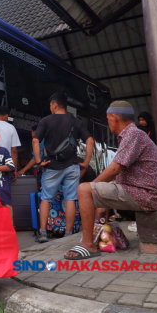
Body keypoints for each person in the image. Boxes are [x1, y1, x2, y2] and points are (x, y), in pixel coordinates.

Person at [64, 101, 157, 260]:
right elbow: (117, 174)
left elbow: (114, 169)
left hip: (147, 195)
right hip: (142, 192)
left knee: (84, 189)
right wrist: (103, 199)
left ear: (114, 118)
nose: (108, 122)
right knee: (95, 190)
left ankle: (88, 245)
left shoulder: (133, 135)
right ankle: (95, 237)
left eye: (108, 119)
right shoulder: (132, 135)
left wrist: (93, 187)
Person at [33, 93, 94, 242]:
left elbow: (35, 141)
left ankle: (42, 233)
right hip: (72, 166)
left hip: (52, 166)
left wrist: (39, 161)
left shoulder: (45, 121)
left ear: (54, 105)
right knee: (71, 199)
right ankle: (68, 234)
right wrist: (86, 162)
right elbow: (90, 141)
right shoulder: (75, 121)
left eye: (50, 106)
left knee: (46, 199)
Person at [0, 106, 21, 173]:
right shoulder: (11, 127)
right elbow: (14, 150)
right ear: (6, 116)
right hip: (5, 165)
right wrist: (14, 168)